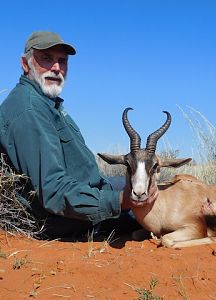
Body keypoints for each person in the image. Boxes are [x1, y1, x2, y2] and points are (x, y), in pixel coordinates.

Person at [0, 31, 158, 239]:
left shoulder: (47, 103)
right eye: (46, 58)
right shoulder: (29, 110)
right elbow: (53, 191)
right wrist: (119, 201)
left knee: (145, 181)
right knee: (149, 208)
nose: (56, 68)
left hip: (87, 192)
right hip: (69, 219)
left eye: (62, 61)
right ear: (25, 64)